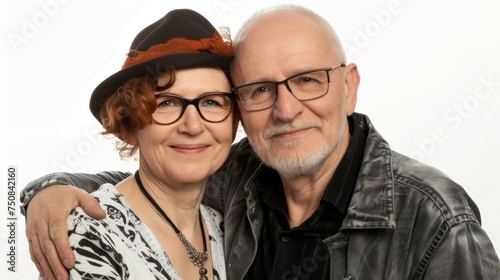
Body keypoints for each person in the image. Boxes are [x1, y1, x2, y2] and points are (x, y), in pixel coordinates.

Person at [21, 4, 500, 280]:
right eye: (259, 90)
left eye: (308, 80)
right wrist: (51, 188)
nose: (286, 109)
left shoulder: (436, 219)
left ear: (349, 87)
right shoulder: (237, 179)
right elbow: (155, 181)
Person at [27, 8, 239, 280]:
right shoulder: (89, 239)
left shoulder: (225, 227)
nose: (193, 126)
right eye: (166, 103)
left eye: (211, 102)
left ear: (233, 121)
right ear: (130, 124)